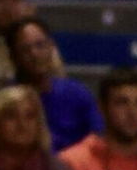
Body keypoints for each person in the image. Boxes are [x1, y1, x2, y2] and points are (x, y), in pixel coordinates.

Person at [7, 16, 103, 152]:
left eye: (40, 45)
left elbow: (98, 140)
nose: (34, 54)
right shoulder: (6, 101)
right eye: (25, 49)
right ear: (14, 56)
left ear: (51, 47)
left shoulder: (77, 94)